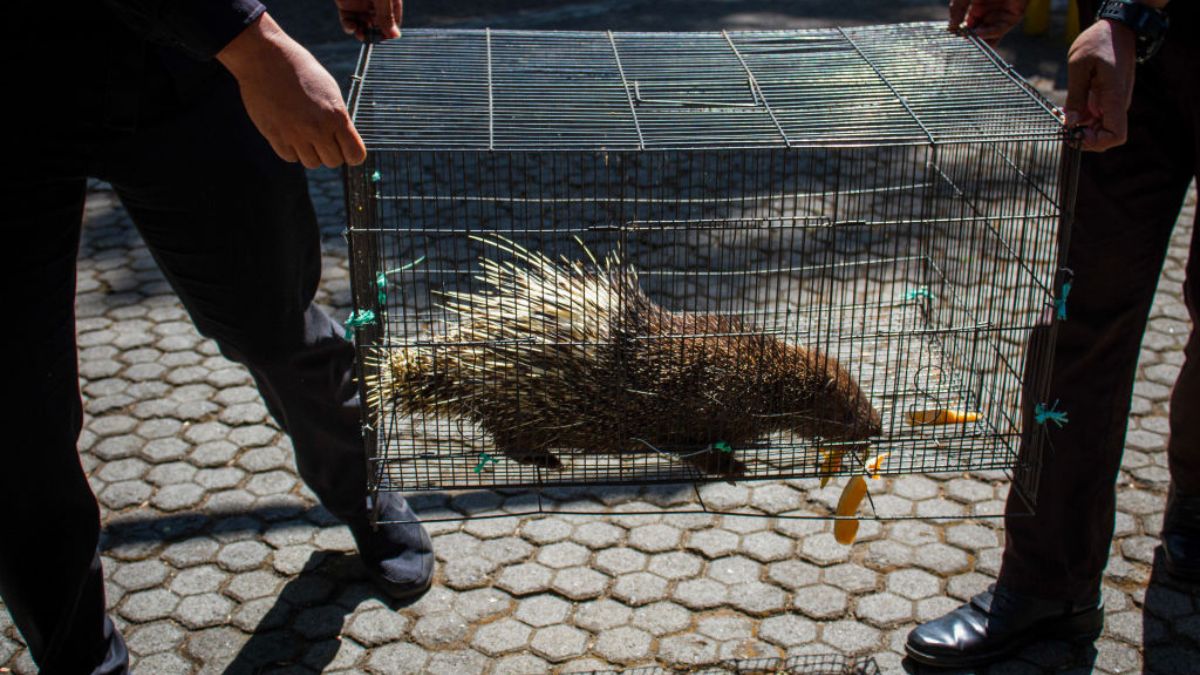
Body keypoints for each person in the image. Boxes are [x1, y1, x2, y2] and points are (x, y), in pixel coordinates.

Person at [4, 1, 433, 673]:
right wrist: (255, 43)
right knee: (16, 423)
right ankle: (79, 656)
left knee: (272, 318)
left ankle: (364, 487)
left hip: (178, 59)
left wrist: (239, 41)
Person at [906, 0, 1198, 667]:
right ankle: (1048, 585)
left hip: (1133, 24)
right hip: (1141, 49)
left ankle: (1197, 502)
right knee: (1081, 314)